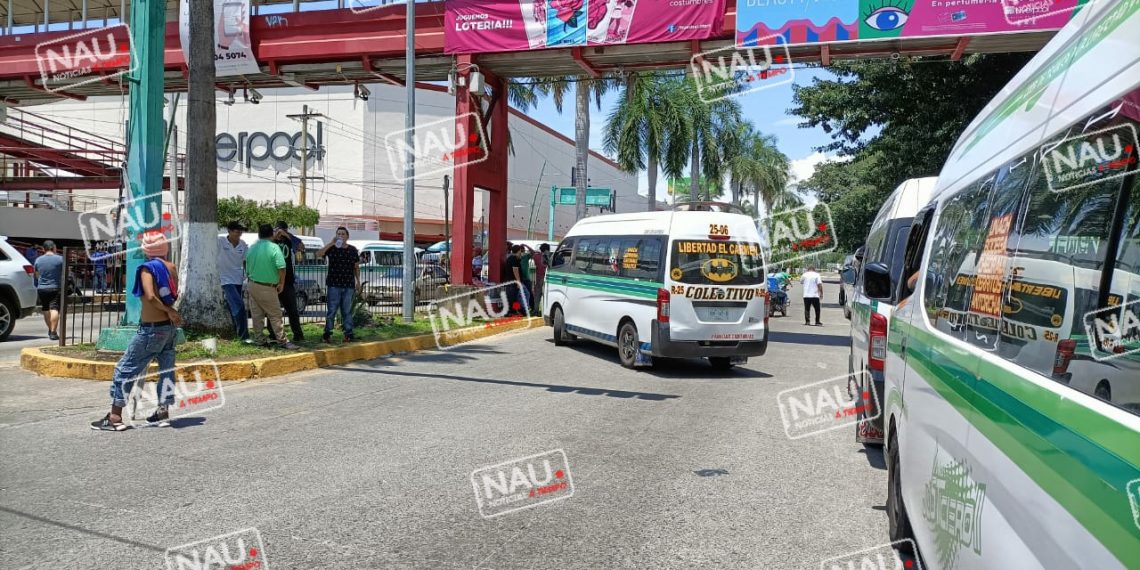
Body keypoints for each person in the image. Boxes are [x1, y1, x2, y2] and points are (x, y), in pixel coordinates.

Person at [90, 232, 181, 431]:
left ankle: (115, 417)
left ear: (146, 249)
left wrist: (168, 310)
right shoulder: (171, 268)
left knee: (125, 369)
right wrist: (171, 312)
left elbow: (149, 296)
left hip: (151, 329)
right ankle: (163, 412)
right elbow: (173, 294)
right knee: (166, 370)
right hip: (169, 329)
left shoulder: (147, 269)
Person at [245, 224, 299, 350]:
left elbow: (246, 266)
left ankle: (259, 339)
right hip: (267, 286)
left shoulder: (252, 247)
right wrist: (281, 283)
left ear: (259, 234)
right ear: (272, 234)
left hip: (252, 284)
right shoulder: (274, 247)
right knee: (275, 314)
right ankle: (282, 340)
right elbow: (282, 267)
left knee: (257, 315)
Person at [317, 227, 360, 343]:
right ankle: (327, 334)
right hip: (334, 284)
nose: (340, 235)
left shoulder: (352, 250)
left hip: (348, 285)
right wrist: (331, 243)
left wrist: (358, 281)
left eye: (343, 234)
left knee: (346, 311)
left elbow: (356, 267)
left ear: (347, 236)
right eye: (338, 234)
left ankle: (348, 333)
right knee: (332, 310)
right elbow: (319, 254)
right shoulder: (332, 249)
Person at [273, 220, 305, 342]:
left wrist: (287, 235)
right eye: (278, 230)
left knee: (292, 310)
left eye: (283, 230)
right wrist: (276, 236)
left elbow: (301, 247)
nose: (280, 233)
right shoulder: (271, 240)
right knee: (273, 311)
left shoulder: (289, 240)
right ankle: (274, 335)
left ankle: (298, 334)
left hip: (288, 281)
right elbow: (265, 244)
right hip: (273, 280)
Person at [218, 221, 249, 341]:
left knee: (232, 308)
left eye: (240, 231)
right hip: (225, 279)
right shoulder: (220, 242)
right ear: (229, 231)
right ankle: (244, 336)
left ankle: (234, 332)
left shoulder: (243, 245)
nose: (239, 234)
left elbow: (246, 261)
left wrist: (248, 276)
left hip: (238, 279)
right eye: (237, 231)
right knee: (239, 305)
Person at [33, 240, 64, 340]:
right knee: (54, 308)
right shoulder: (60, 259)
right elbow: (66, 273)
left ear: (43, 249)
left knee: (46, 309)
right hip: (55, 287)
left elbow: (36, 275)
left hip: (42, 288)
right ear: (54, 247)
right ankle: (54, 332)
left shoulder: (38, 260)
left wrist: (38, 284)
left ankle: (50, 330)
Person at [505, 245, 530, 315]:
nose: (521, 252)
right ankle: (518, 310)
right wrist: (518, 282)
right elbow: (515, 270)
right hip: (513, 282)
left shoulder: (512, 258)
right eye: (520, 251)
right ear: (518, 250)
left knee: (517, 297)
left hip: (513, 282)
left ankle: (519, 310)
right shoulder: (514, 259)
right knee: (515, 297)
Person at [532, 244, 550, 316]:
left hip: (538, 278)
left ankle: (535, 310)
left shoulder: (536, 256)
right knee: (546, 295)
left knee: (537, 296)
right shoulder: (548, 257)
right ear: (546, 250)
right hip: (545, 278)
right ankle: (545, 312)